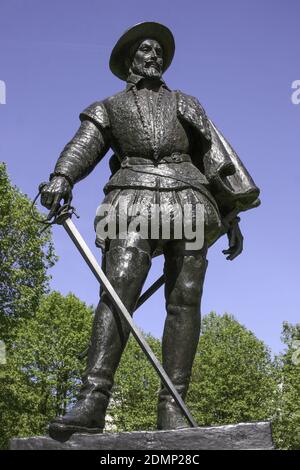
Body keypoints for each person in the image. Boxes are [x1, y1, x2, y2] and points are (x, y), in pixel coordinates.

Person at [40, 22, 260, 440]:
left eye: (159, 51)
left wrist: (232, 217)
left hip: (189, 200)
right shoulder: (108, 106)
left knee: (185, 298)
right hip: (131, 199)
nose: (155, 56)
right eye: (146, 50)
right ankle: (92, 400)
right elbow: (84, 145)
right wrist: (62, 177)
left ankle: (173, 406)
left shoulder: (187, 103)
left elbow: (216, 159)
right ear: (129, 60)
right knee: (118, 287)